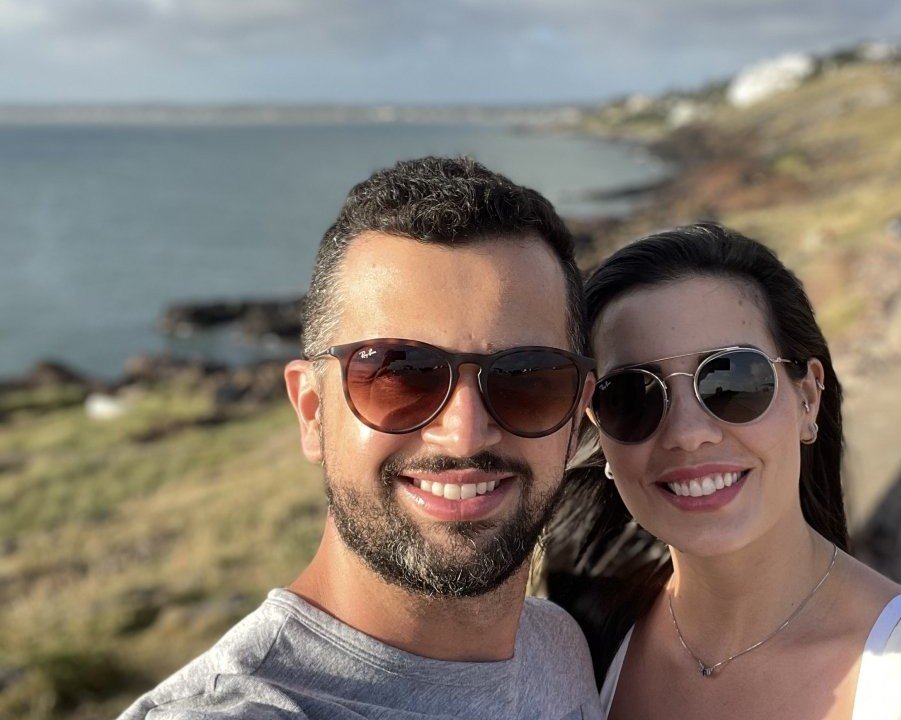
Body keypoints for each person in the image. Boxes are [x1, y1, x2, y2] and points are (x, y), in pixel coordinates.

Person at [121, 157, 602, 719]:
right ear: (312, 412)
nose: (464, 433)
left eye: (526, 377)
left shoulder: (561, 645)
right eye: (400, 373)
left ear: (578, 415)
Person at [554, 223, 901, 719]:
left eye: (731, 381)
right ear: (598, 428)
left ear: (807, 398)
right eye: (632, 396)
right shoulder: (579, 650)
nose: (687, 433)